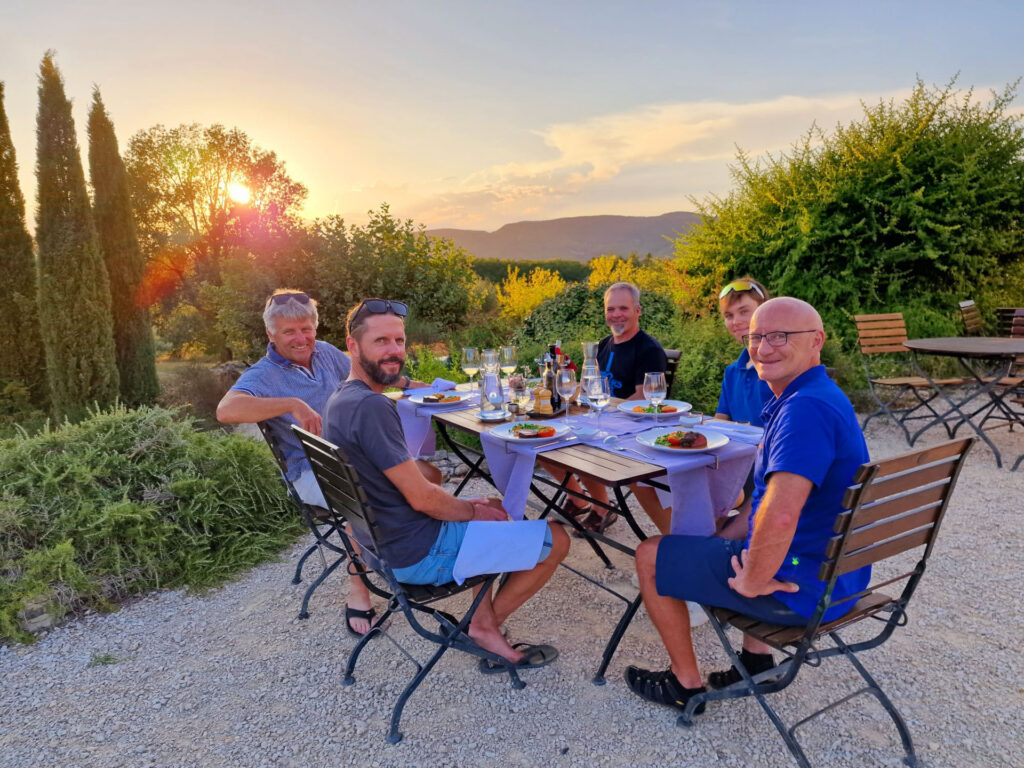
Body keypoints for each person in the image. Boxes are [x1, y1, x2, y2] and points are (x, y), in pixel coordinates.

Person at [624, 297, 871, 715]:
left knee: (651, 554)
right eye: (757, 337)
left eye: (780, 337)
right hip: (837, 574)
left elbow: (782, 514)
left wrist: (754, 578)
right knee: (719, 537)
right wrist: (722, 540)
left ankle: (683, 685)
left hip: (800, 587)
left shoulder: (804, 410)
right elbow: (764, 501)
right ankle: (756, 663)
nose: (763, 348)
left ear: (817, 341)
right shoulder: (814, 394)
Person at [324, 298, 570, 668]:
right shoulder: (371, 407)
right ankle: (485, 626)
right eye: (381, 342)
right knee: (558, 539)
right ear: (353, 346)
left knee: (495, 507)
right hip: (414, 554)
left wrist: (474, 511)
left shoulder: (341, 399)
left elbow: (418, 494)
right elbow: (423, 498)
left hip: (379, 546)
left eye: (399, 341)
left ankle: (481, 606)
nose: (394, 351)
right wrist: (471, 511)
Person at [215, 289, 429, 636]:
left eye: (306, 329)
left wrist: (419, 387)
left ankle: (418, 558)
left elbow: (369, 378)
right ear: (271, 334)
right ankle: (358, 587)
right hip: (312, 470)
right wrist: (291, 403)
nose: (301, 339)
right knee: (361, 495)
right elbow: (226, 410)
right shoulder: (263, 374)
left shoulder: (327, 353)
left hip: (357, 457)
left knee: (426, 475)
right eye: (289, 332)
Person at [557, 282, 670, 533]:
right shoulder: (604, 344)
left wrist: (602, 415)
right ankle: (580, 499)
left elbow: (643, 398)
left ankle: (600, 507)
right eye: (611, 309)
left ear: (637, 311)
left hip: (632, 428)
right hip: (604, 419)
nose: (616, 315)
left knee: (578, 439)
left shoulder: (649, 349)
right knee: (545, 439)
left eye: (623, 308)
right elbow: (590, 387)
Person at [713, 277, 774, 538]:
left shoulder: (773, 369)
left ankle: (711, 544)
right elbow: (720, 421)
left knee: (709, 486)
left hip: (765, 467)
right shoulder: (733, 371)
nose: (735, 320)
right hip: (738, 460)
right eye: (728, 315)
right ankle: (702, 542)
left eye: (744, 311)